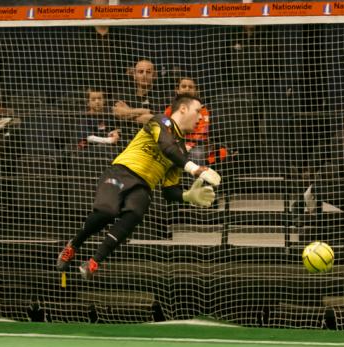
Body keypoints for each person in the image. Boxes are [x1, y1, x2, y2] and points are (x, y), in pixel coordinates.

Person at [56, 94, 221, 279]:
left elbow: (168, 190)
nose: (200, 117)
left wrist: (187, 196)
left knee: (135, 212)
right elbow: (166, 146)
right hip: (122, 173)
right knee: (107, 211)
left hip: (144, 186)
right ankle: (74, 245)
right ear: (183, 108)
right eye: (197, 111)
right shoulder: (161, 121)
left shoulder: (182, 150)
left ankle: (94, 262)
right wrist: (195, 169)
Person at [113, 59, 163, 142]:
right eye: (140, 72)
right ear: (134, 75)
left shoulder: (161, 96)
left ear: (154, 75)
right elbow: (118, 112)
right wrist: (145, 111)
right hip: (126, 142)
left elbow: (156, 120)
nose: (144, 75)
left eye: (148, 72)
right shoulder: (124, 94)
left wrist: (128, 112)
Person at [164, 77, 210, 166]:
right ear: (177, 90)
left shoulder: (202, 110)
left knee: (197, 154)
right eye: (184, 86)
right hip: (174, 144)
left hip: (196, 145)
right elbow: (164, 123)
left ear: (197, 91)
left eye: (190, 87)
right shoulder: (170, 109)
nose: (187, 89)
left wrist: (188, 145)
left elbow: (202, 132)